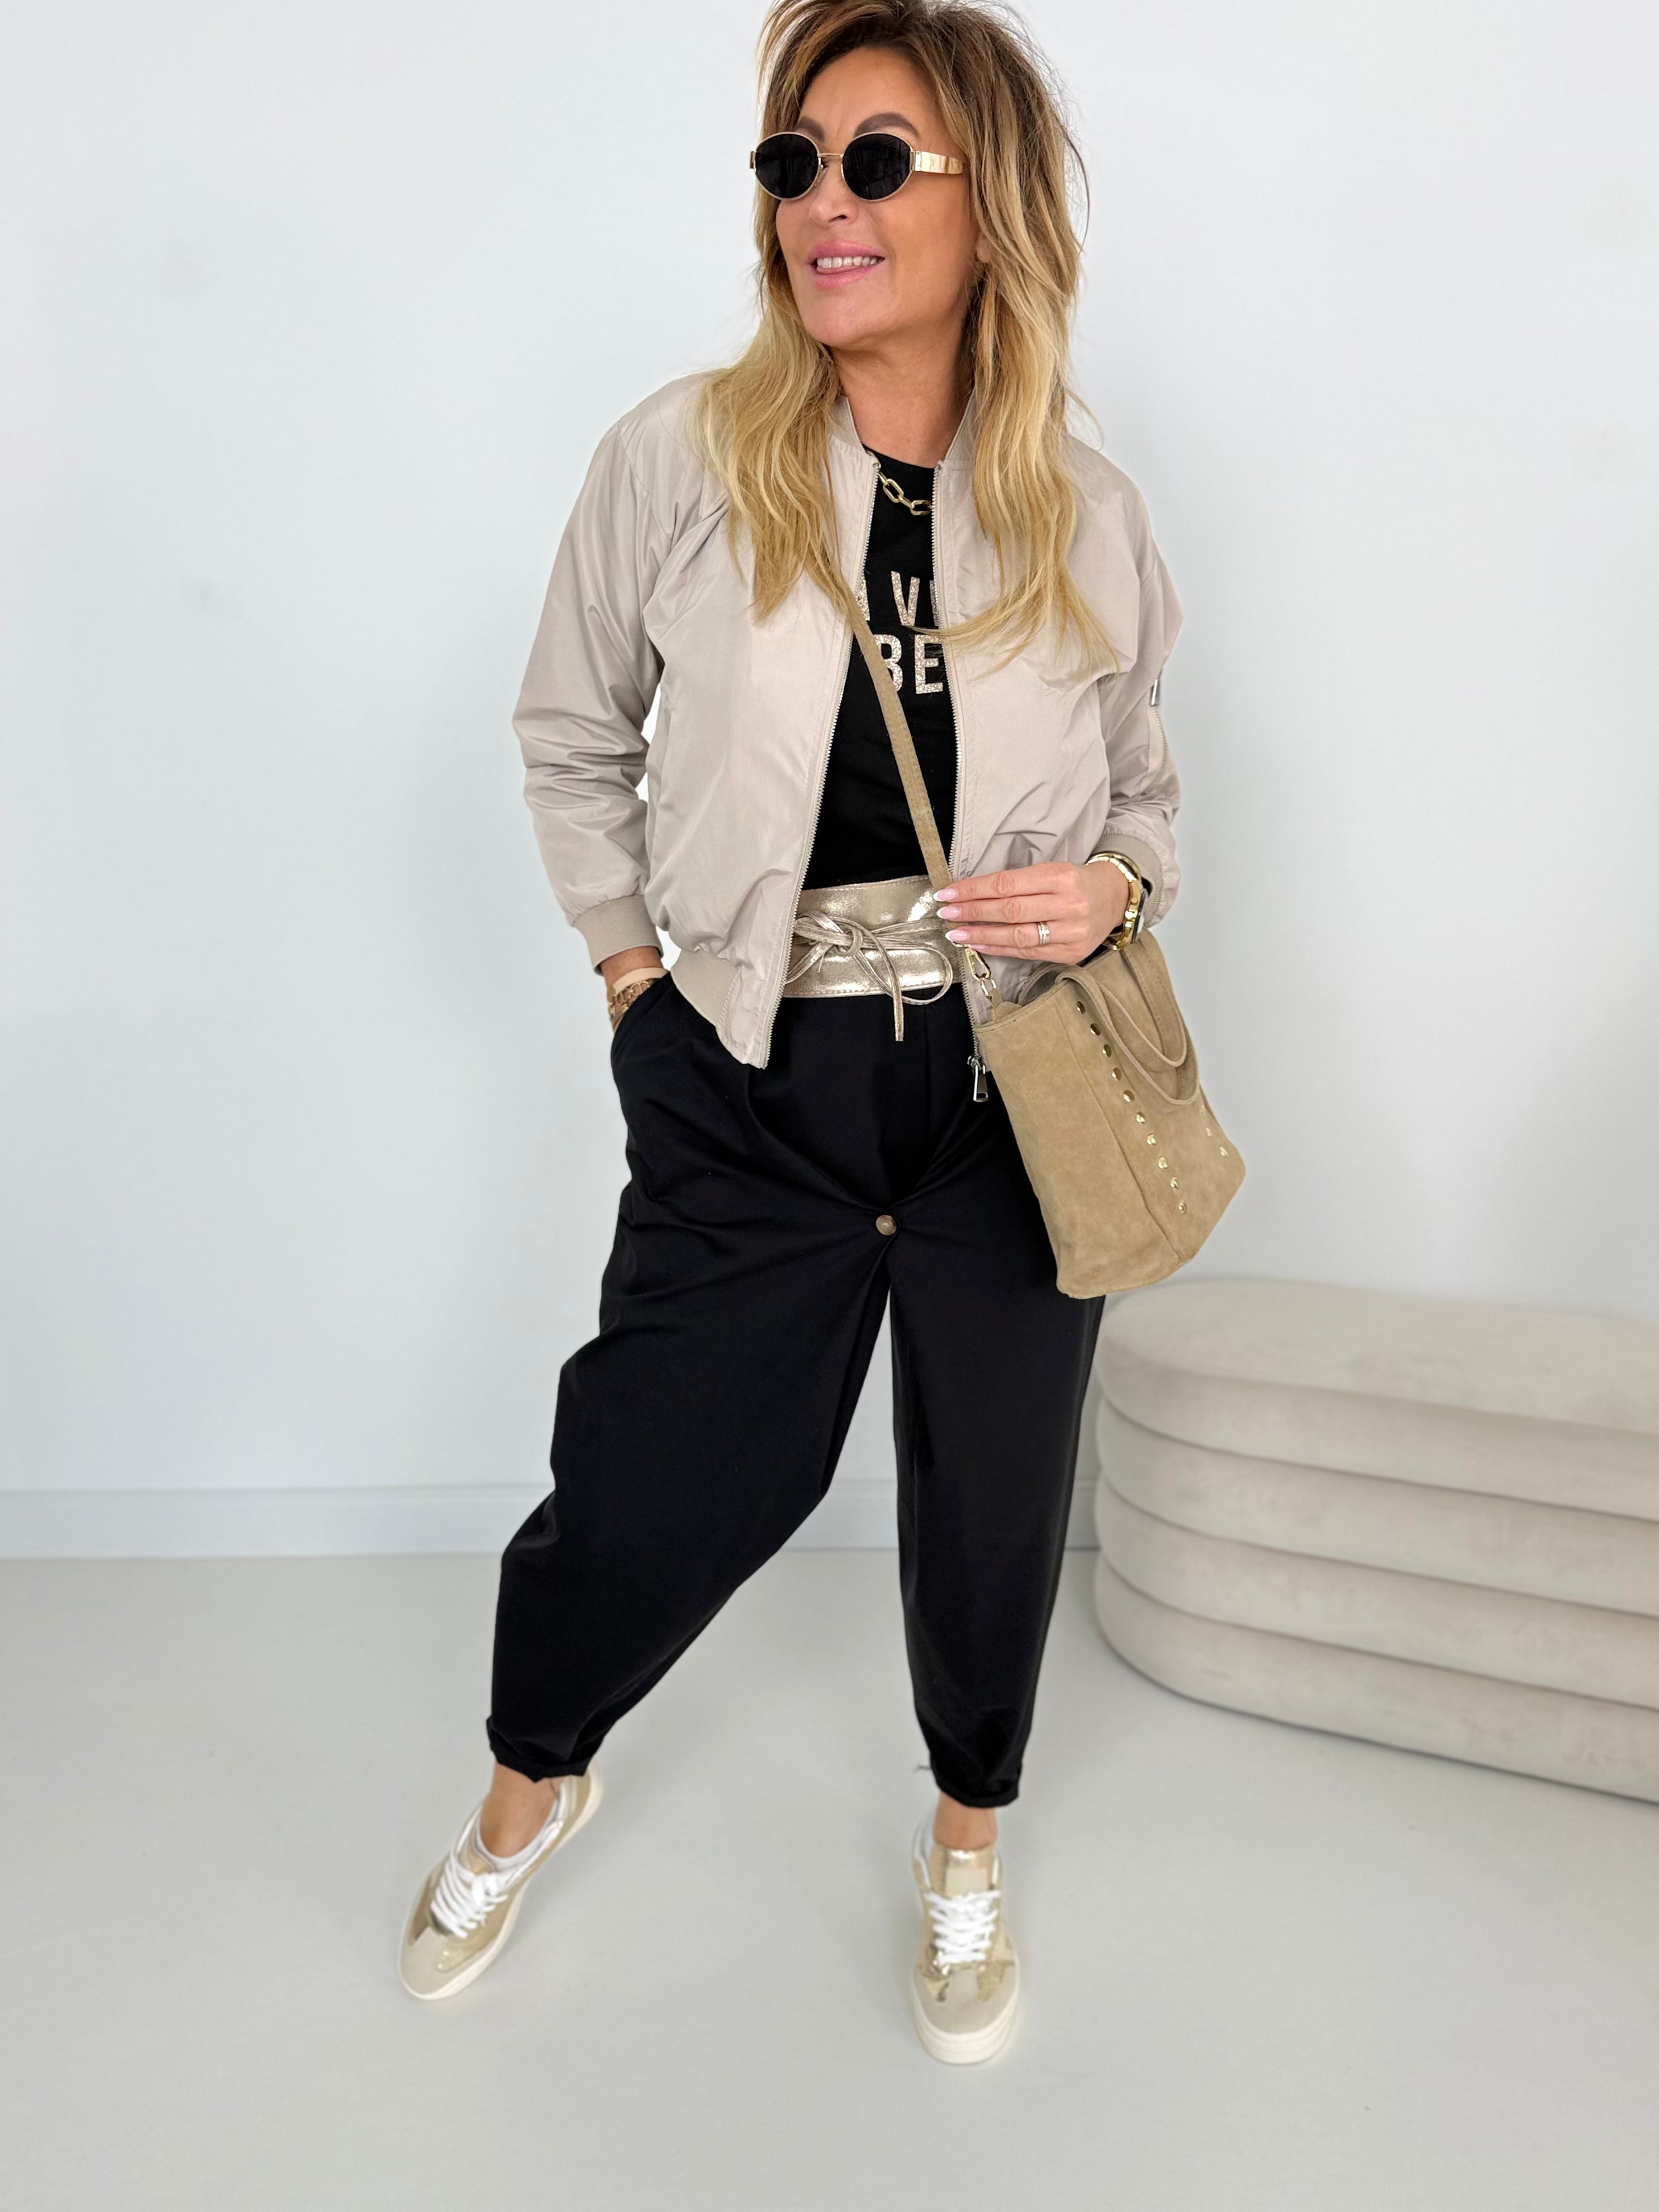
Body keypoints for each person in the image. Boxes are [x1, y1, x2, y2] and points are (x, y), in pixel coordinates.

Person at [399, 0, 1182, 2067]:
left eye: (875, 161)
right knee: (657, 1470)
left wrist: (1114, 890)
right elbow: (571, 734)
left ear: (991, 207)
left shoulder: (1084, 508)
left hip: (1018, 1079)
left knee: (994, 1484)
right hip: (754, 1063)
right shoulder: (683, 457)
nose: (821, 203)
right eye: (792, 161)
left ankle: (967, 1840)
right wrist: (630, 984)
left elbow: (1147, 794)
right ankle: (528, 1782)